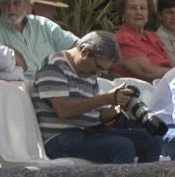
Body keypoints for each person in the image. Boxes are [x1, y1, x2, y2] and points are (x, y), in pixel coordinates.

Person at [34, 30, 161, 164]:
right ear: (84, 51)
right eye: (98, 67)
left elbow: (94, 116)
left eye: (103, 70)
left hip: (89, 133)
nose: (98, 73)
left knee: (151, 139)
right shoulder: (54, 66)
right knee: (122, 147)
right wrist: (106, 98)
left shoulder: (88, 72)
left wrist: (118, 108)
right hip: (59, 138)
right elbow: (63, 109)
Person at [0, 0, 75, 79]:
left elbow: (75, 45)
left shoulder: (43, 24)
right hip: (20, 90)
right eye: (5, 3)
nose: (11, 8)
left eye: (16, 3)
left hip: (57, 83)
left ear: (27, 3)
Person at [112, 0, 169, 80]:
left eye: (142, 8)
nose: (139, 12)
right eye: (132, 8)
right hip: (140, 92)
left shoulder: (152, 37)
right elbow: (146, 72)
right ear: (123, 13)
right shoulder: (124, 38)